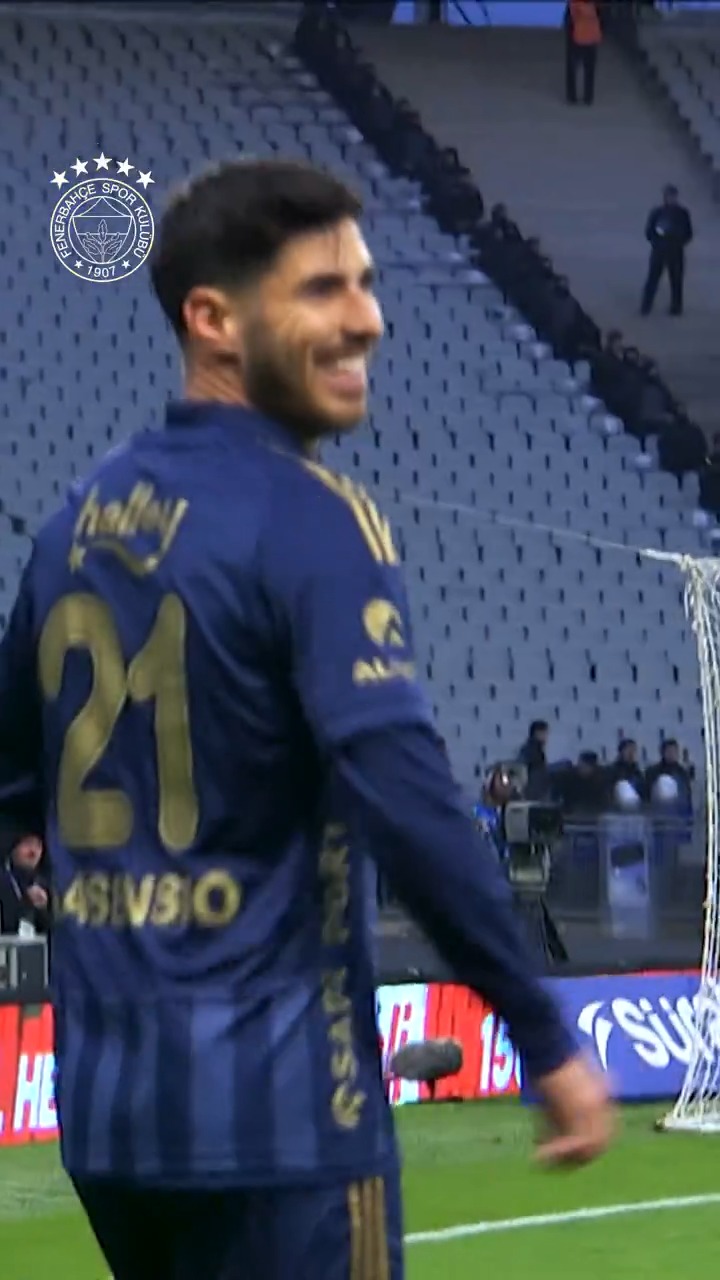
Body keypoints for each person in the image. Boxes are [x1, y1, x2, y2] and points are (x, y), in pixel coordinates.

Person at [0, 158, 613, 1280]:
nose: (367, 320)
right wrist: (540, 1029)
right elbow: (407, 801)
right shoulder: (314, 517)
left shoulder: (68, 529)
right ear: (214, 320)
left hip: (112, 1123)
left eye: (366, 285)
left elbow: (14, 790)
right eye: (324, 289)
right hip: (286, 1116)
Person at [640, 184, 693, 317]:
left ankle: (676, 308)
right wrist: (657, 242)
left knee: (676, 280)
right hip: (659, 251)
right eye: (669, 196)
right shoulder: (657, 212)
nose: (671, 199)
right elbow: (649, 231)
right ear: (665, 197)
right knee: (653, 279)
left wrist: (679, 241)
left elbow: (688, 232)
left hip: (676, 251)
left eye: (673, 196)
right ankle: (646, 307)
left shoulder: (683, 213)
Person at [0, 832, 49, 936]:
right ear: (13, 848)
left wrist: (43, 910)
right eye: (28, 844)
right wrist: (25, 902)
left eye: (39, 846)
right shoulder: (3, 881)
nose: (33, 852)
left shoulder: (45, 883)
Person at [565, 1, 602, 106]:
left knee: (572, 67)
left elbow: (570, 19)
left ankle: (572, 96)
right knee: (589, 68)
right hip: (591, 35)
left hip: (577, 35)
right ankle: (588, 97)